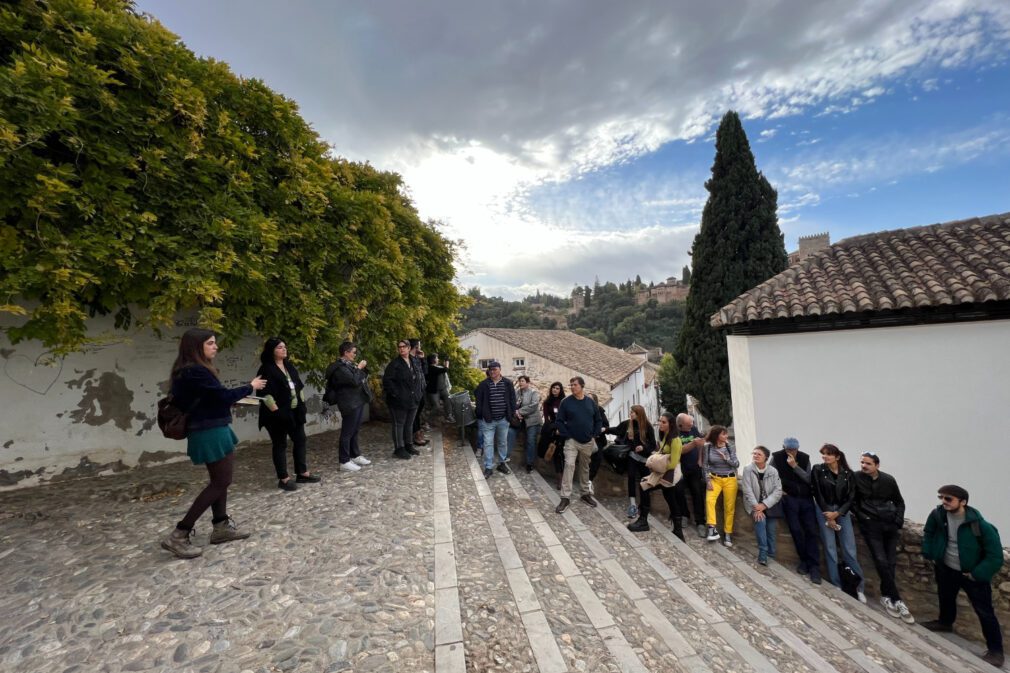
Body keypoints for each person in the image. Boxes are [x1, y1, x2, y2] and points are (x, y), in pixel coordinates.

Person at [160, 328, 266, 559]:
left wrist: (227, 401)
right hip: (210, 431)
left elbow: (210, 400)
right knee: (221, 482)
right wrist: (251, 386)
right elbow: (221, 396)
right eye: (210, 343)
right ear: (196, 347)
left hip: (210, 428)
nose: (215, 347)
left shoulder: (187, 371)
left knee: (220, 481)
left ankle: (220, 526)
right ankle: (179, 533)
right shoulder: (196, 371)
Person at [921, 485, 1004, 668]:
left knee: (985, 612)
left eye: (948, 499)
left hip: (970, 574)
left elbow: (995, 556)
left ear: (963, 502)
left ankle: (996, 651)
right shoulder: (938, 515)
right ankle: (945, 623)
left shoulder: (980, 525)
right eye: (942, 497)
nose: (943, 501)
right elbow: (928, 532)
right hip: (946, 568)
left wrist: (976, 574)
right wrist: (930, 553)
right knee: (946, 597)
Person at [853, 451, 911, 622]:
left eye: (868, 463)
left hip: (890, 524)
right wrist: (864, 517)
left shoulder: (888, 480)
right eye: (862, 462)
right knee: (880, 560)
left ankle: (887, 596)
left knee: (890, 561)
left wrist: (898, 521)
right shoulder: (855, 478)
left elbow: (899, 502)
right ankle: (897, 599)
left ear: (877, 465)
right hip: (871, 525)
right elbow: (852, 501)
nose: (864, 466)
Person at [257, 337, 320, 491]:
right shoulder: (266, 369)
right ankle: (283, 478)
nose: (284, 349)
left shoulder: (289, 366)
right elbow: (265, 394)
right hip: (277, 414)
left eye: (285, 347)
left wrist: (302, 404)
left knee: (300, 440)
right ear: (271, 350)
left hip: (295, 412)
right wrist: (276, 411)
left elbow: (298, 386)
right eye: (280, 347)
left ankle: (302, 473)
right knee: (280, 444)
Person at [811, 444, 866, 602]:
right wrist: (828, 515)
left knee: (849, 548)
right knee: (830, 548)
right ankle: (837, 584)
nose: (825, 457)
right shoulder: (818, 469)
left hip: (842, 512)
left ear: (837, 456)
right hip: (824, 511)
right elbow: (817, 493)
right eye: (823, 454)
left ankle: (858, 586)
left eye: (828, 454)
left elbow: (851, 497)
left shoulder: (848, 474)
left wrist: (838, 513)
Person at [772, 437, 822, 584]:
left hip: (806, 499)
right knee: (795, 529)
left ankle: (814, 567)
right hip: (790, 498)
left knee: (811, 531)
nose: (791, 452)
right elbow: (772, 476)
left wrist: (795, 466)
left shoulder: (805, 458)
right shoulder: (776, 457)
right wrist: (780, 491)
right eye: (788, 450)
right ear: (784, 448)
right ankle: (804, 560)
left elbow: (809, 479)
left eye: (794, 450)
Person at [628, 412, 685, 540]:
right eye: (660, 421)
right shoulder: (665, 436)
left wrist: (656, 462)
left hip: (669, 474)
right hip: (662, 473)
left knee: (666, 497)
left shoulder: (675, 440)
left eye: (663, 422)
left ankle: (676, 530)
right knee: (651, 489)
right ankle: (675, 530)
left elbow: (673, 463)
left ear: (670, 424)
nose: (660, 424)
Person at [554, 376, 603, 513]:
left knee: (585, 467)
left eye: (574, 384)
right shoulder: (566, 402)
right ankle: (565, 497)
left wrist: (594, 434)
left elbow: (598, 420)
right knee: (569, 465)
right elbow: (559, 421)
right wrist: (567, 435)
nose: (572, 387)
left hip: (587, 441)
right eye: (571, 385)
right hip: (572, 441)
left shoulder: (590, 403)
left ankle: (585, 493)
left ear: (582, 386)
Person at [325, 341, 374, 472]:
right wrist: (359, 369)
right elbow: (353, 381)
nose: (355, 354)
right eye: (353, 352)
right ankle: (344, 460)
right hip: (348, 402)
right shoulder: (339, 368)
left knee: (355, 430)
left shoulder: (348, 364)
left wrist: (361, 369)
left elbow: (361, 377)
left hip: (356, 400)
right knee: (347, 432)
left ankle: (355, 455)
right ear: (346, 352)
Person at [607, 405, 657, 519]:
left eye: (633, 412)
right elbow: (617, 430)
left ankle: (645, 506)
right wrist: (605, 429)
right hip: (632, 456)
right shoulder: (628, 423)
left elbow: (653, 444)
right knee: (631, 477)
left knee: (645, 482)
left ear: (639, 414)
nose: (631, 414)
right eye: (631, 412)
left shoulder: (648, 426)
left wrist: (643, 448)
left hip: (644, 458)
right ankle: (632, 505)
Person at [382, 339, 425, 460]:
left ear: (409, 348)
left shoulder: (414, 361)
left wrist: (419, 393)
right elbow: (387, 381)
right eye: (399, 347)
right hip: (398, 401)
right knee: (399, 424)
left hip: (413, 399)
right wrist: (397, 394)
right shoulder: (394, 364)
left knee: (409, 424)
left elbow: (420, 376)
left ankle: (408, 445)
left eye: (404, 346)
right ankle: (399, 449)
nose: (401, 348)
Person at [741, 446, 782, 565]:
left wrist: (764, 505)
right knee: (760, 522)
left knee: (771, 529)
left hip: (769, 505)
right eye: (754, 453)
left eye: (759, 454)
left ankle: (772, 553)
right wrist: (757, 507)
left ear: (766, 458)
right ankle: (763, 553)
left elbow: (778, 491)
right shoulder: (748, 469)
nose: (755, 456)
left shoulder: (773, 471)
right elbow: (747, 490)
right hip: (753, 504)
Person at [475, 361, 516, 478]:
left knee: (502, 442)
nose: (492, 371)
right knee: (488, 443)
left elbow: (512, 399)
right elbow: (478, 398)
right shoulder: (484, 384)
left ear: (500, 370)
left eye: (495, 369)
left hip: (503, 419)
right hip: (488, 420)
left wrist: (511, 413)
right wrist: (480, 413)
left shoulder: (508, 383)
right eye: (491, 370)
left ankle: (501, 463)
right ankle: (488, 467)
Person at [703, 425, 739, 546]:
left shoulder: (730, 447)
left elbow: (736, 464)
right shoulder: (708, 448)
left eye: (726, 434)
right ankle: (712, 529)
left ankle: (728, 533)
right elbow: (705, 465)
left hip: (730, 479)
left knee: (729, 507)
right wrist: (708, 481)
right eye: (724, 434)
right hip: (714, 478)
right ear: (717, 435)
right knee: (709, 500)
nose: (726, 436)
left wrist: (726, 458)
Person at [673, 413, 707, 538]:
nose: (691, 425)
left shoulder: (693, 429)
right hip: (680, 468)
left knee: (697, 493)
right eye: (688, 424)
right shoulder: (675, 433)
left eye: (691, 423)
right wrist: (693, 444)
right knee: (679, 492)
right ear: (680, 425)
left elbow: (700, 446)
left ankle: (700, 523)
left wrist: (699, 459)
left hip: (694, 468)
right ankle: (684, 515)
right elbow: (679, 450)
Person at [508, 375, 542, 473]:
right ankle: (506, 457)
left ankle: (529, 463)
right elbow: (512, 404)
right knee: (510, 433)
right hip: (519, 421)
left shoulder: (533, 393)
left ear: (528, 382)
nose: (520, 383)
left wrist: (520, 412)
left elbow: (534, 405)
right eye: (519, 381)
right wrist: (515, 412)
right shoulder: (517, 393)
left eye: (522, 381)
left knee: (531, 441)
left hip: (532, 421)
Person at [538, 382, 566, 486]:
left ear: (560, 390)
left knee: (561, 454)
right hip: (551, 430)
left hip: (562, 430)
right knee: (554, 453)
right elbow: (546, 418)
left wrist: (561, 428)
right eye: (553, 388)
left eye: (557, 388)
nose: (555, 390)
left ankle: (562, 478)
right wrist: (554, 429)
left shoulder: (564, 401)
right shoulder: (547, 402)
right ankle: (559, 478)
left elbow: (566, 417)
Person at [586, 392, 609, 495]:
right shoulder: (582, 410)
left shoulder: (599, 410)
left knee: (597, 457)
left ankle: (589, 480)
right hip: (585, 438)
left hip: (598, 439)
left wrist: (596, 432)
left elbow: (605, 425)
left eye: (591, 399)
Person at [408, 339, 429, 446]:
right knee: (414, 414)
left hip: (421, 390)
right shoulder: (409, 359)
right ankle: (416, 435)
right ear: (415, 347)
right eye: (419, 346)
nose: (420, 348)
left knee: (418, 413)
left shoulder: (417, 358)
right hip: (414, 391)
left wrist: (423, 359)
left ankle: (417, 433)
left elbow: (425, 372)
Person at [425, 354, 455, 424]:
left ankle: (449, 416)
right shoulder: (431, 368)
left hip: (443, 389)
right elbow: (445, 369)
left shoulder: (437, 368)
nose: (438, 359)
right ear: (433, 360)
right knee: (436, 407)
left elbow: (441, 370)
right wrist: (447, 362)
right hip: (433, 391)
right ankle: (427, 422)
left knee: (449, 400)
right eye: (437, 358)